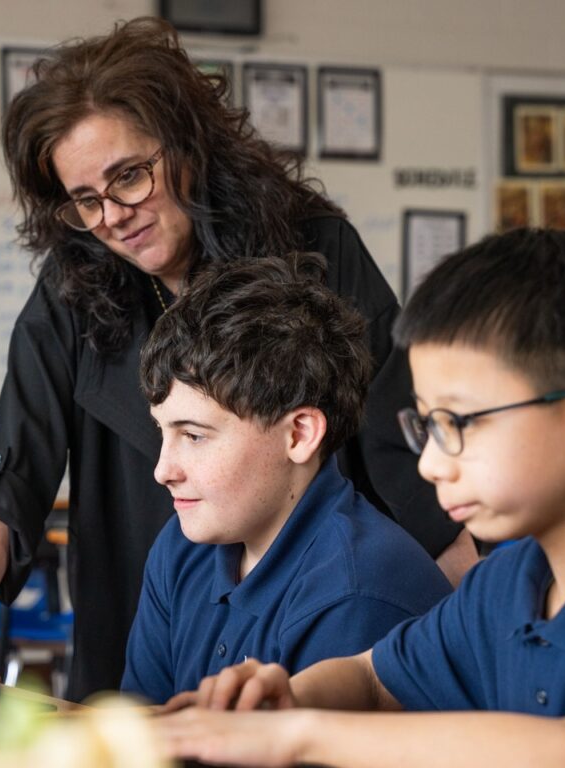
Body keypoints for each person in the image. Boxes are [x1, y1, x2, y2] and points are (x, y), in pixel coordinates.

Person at [0, 17, 476, 699]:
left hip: (308, 603)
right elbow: (14, 468)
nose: (112, 215)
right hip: (145, 598)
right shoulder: (75, 280)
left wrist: (441, 648)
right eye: (86, 200)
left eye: (130, 178)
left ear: (188, 148)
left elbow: (410, 458)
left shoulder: (314, 250)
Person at [157, 228, 565, 768]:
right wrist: (289, 695)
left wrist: (296, 734)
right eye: (426, 425)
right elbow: (374, 680)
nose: (430, 462)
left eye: (462, 422)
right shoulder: (505, 583)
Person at [122, 253, 452, 704]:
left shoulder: (359, 592)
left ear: (298, 434)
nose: (163, 471)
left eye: (194, 436)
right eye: (164, 431)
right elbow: (139, 735)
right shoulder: (182, 548)